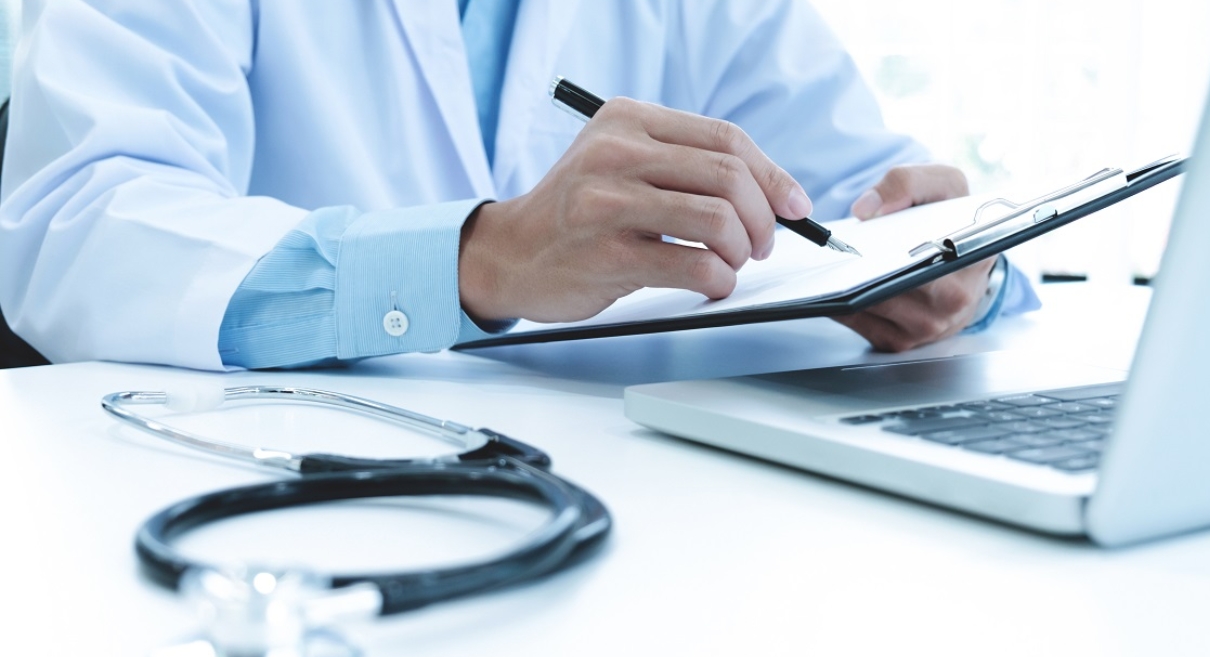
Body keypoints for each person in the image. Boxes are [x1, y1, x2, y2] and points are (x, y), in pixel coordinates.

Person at [0, 0, 1037, 371]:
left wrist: (957, 272)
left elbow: (860, 198)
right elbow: (81, 221)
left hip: (648, 522)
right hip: (282, 509)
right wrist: (476, 259)